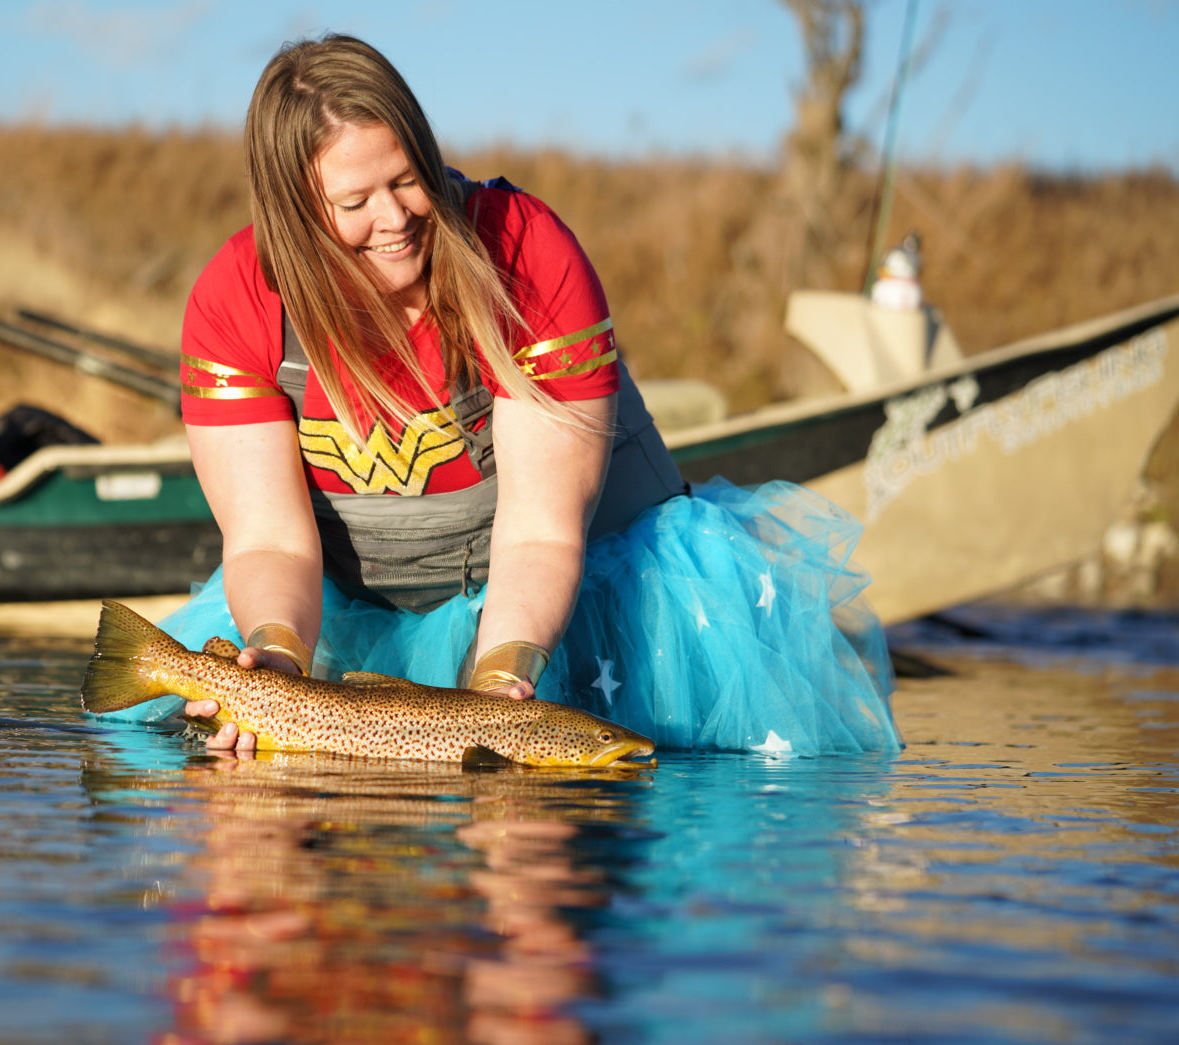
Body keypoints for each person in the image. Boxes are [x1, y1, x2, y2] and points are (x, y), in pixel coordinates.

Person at [102, 33, 898, 756]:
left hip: (586, 578)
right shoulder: (234, 301)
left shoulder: (525, 252)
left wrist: (500, 689)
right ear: (295, 214)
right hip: (358, 599)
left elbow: (541, 536)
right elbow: (271, 541)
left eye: (407, 178)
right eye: (354, 203)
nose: (395, 218)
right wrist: (272, 660)